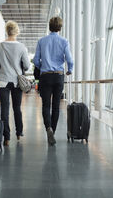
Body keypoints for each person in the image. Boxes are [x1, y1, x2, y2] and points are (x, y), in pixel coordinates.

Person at [33, 16, 73, 146]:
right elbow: (70, 60)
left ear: (49, 26)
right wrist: (70, 69)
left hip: (45, 76)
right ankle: (53, 132)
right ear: (60, 27)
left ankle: (48, 128)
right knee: (56, 106)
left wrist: (43, 66)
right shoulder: (64, 41)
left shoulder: (42, 41)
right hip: (58, 76)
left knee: (46, 105)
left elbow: (35, 60)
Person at [0, 21, 30, 146]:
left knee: (4, 109)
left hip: (2, 81)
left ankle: (6, 137)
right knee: (17, 108)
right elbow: (27, 65)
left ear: (6, 31)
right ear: (17, 31)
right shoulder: (21, 47)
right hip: (16, 82)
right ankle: (19, 132)